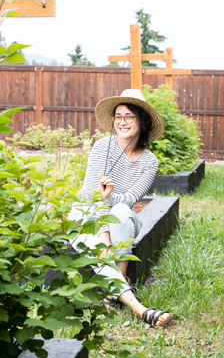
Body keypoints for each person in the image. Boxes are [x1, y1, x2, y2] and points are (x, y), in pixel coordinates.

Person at [71, 87, 174, 328]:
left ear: (143, 121)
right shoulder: (101, 147)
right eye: (118, 117)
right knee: (110, 223)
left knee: (122, 212)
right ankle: (138, 308)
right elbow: (92, 195)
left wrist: (107, 203)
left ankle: (115, 288)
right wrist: (102, 234)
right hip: (85, 213)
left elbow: (130, 199)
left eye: (129, 116)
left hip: (121, 216)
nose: (122, 122)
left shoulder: (150, 161)